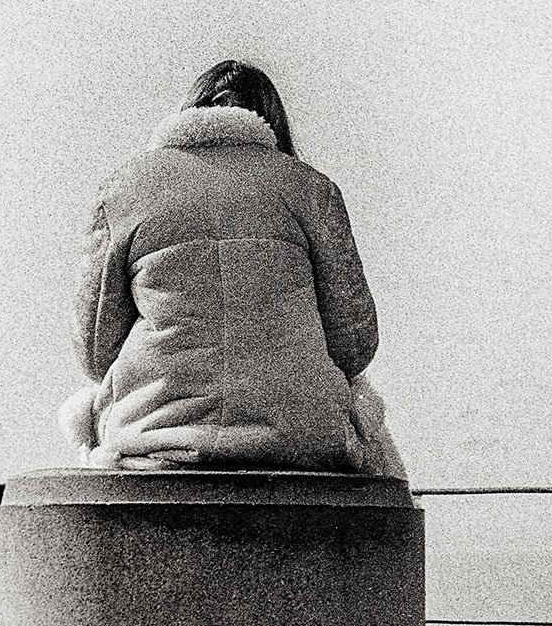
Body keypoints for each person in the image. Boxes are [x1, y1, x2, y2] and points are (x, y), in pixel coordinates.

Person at [60, 60, 405, 478]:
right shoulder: (313, 190)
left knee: (85, 413)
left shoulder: (124, 189)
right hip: (303, 438)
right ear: (273, 122)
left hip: (152, 435)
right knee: (365, 411)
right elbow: (353, 344)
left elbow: (96, 351)